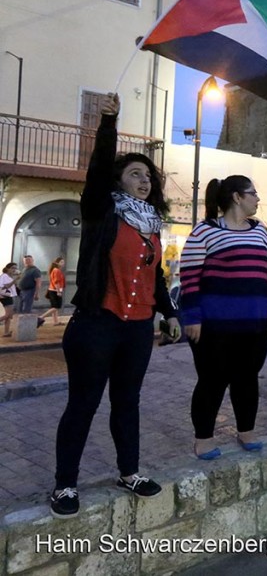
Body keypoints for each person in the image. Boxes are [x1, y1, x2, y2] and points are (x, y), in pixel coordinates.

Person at [51, 92, 179, 518]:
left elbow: (155, 276)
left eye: (148, 176)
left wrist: (170, 312)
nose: (144, 181)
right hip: (97, 324)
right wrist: (109, 123)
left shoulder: (151, 227)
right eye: (135, 174)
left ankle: (130, 471)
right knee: (83, 404)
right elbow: (97, 169)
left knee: (128, 402)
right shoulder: (101, 212)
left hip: (137, 329)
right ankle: (65, 485)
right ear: (118, 181)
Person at [179, 176, 267, 460]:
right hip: (214, 326)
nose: (258, 199)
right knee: (212, 381)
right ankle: (204, 438)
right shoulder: (205, 232)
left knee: (248, 379)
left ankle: (246, 430)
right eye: (254, 193)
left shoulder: (260, 231)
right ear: (237, 197)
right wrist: (192, 317)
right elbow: (189, 278)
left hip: (255, 324)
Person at [38, 257, 66, 326]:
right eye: (61, 262)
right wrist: (58, 291)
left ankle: (55, 321)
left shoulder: (55, 270)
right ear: (57, 263)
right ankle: (41, 317)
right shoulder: (57, 270)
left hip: (52, 290)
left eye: (63, 262)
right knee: (56, 307)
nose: (63, 263)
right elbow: (56, 282)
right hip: (55, 290)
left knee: (54, 307)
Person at [0, 262, 17, 336]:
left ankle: (6, 332)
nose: (14, 270)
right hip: (5, 296)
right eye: (13, 268)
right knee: (9, 315)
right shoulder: (4, 276)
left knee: (8, 315)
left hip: (8, 296)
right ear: (7, 268)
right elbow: (4, 287)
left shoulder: (8, 276)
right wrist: (14, 281)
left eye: (15, 268)